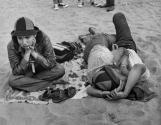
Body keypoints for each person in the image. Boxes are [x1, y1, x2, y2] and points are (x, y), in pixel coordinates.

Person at [86, 13, 152, 100]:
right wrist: (125, 93)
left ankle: (96, 34)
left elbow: (88, 90)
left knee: (101, 38)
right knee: (118, 17)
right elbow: (138, 66)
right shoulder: (137, 75)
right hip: (126, 44)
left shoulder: (100, 78)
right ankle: (97, 34)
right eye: (115, 71)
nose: (114, 67)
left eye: (111, 68)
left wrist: (102, 93)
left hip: (102, 48)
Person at [7, 17, 65, 92]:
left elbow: (51, 63)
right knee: (12, 80)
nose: (24, 42)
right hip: (27, 72)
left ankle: (30, 82)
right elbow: (16, 71)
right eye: (20, 38)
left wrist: (34, 53)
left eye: (27, 37)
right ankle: (49, 83)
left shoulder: (44, 38)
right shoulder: (11, 45)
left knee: (60, 70)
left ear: (34, 35)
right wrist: (27, 54)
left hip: (42, 68)